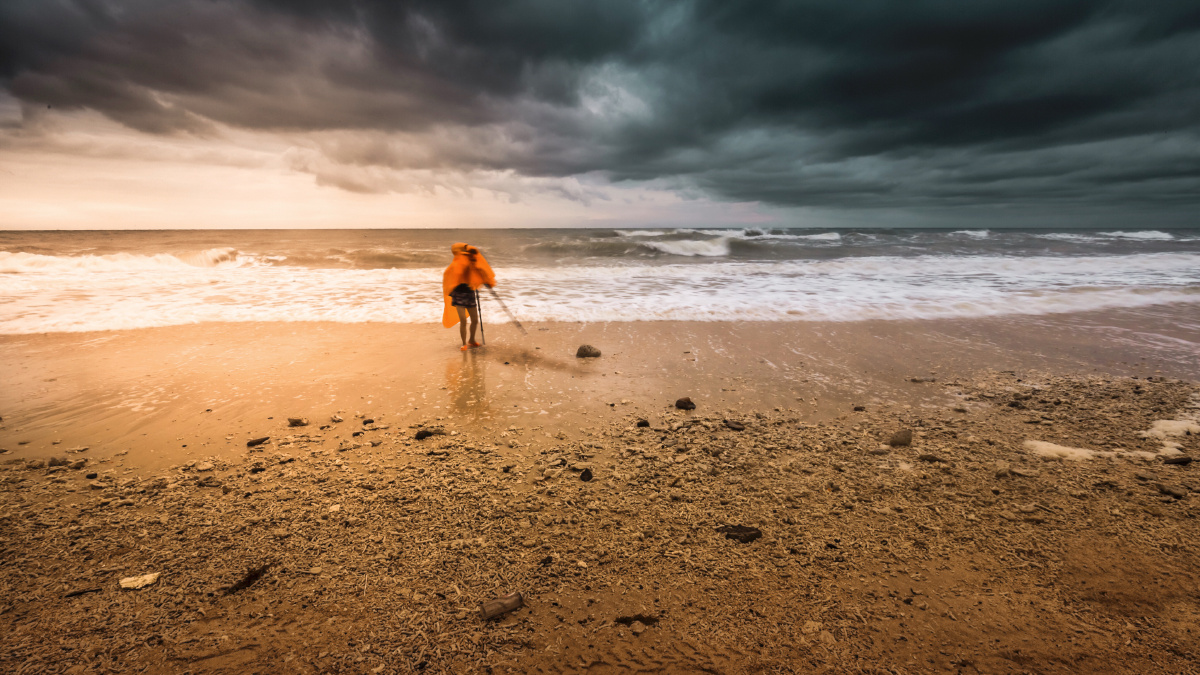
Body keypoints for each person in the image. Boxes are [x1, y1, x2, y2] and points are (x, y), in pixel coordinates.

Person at [442, 243, 496, 350]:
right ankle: (463, 344)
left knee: (475, 320)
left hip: (470, 293)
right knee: (463, 320)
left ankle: (471, 340)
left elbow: (479, 272)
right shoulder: (456, 264)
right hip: (458, 294)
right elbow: (455, 273)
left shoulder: (472, 262)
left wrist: (486, 281)